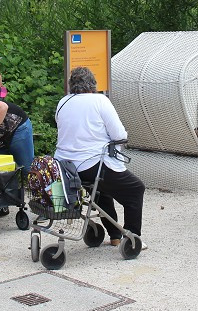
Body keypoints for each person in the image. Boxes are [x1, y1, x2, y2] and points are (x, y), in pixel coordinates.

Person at [54, 67, 146, 249]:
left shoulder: (63, 102)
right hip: (92, 163)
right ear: (93, 84)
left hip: (65, 167)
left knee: (100, 191)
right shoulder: (100, 100)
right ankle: (132, 237)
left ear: (71, 84)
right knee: (136, 189)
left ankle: (115, 235)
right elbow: (119, 134)